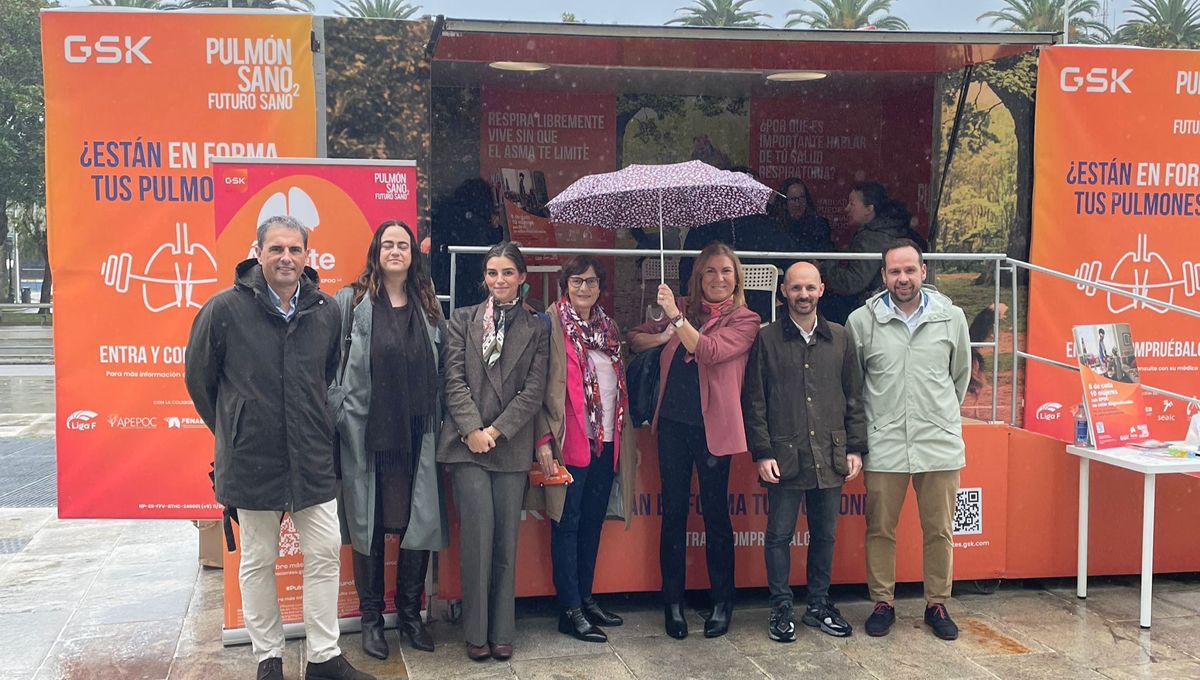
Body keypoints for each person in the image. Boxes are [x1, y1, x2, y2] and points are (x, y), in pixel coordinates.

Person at [185, 216, 374, 680]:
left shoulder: (326, 311)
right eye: (276, 249)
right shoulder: (223, 310)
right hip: (252, 460)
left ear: (307, 256)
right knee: (257, 561)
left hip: (311, 457)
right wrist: (234, 427)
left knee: (327, 552)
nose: (286, 258)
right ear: (258, 252)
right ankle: (268, 658)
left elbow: (326, 375)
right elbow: (199, 380)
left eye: (294, 249)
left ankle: (324, 658)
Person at [628, 242, 760, 640]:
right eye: (710, 272)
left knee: (717, 516)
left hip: (713, 429)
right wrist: (666, 330)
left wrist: (676, 320)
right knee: (674, 515)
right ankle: (673, 603)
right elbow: (634, 337)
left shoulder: (746, 319)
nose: (718, 279)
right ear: (698, 276)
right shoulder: (681, 305)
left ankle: (722, 603)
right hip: (671, 425)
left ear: (737, 277)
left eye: (726, 272)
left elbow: (709, 350)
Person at [845, 239, 970, 642]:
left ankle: (937, 603)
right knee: (880, 529)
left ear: (923, 272)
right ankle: (883, 602)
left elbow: (960, 377)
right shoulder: (861, 322)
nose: (903, 278)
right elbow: (855, 384)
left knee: (939, 530)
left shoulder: (952, 318)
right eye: (894, 271)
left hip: (938, 442)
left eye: (909, 270)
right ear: (883, 276)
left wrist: (939, 416)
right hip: (885, 444)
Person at [334, 221, 448, 661]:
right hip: (368, 436)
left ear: (412, 254)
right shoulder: (352, 301)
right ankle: (370, 621)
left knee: (416, 524)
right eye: (388, 244)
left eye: (403, 244)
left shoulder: (427, 304)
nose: (396, 251)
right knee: (369, 526)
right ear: (376, 251)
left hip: (417, 435)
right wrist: (341, 413)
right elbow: (332, 367)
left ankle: (409, 616)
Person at [741, 261, 867, 643]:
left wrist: (856, 448)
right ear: (783, 292)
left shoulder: (841, 338)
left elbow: (855, 398)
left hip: (830, 454)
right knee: (778, 535)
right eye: (796, 288)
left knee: (825, 535)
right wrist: (762, 453)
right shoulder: (766, 339)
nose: (803, 295)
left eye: (810, 288)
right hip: (785, 455)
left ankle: (818, 605)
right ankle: (781, 608)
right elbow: (755, 401)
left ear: (822, 290)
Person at [437, 241, 550, 661]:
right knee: (477, 539)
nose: (498, 280)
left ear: (522, 277)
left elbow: (533, 391)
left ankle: (503, 629)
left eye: (507, 273)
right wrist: (472, 430)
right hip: (467, 447)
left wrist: (497, 431)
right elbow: (452, 380)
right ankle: (475, 632)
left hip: (510, 445)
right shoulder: (462, 320)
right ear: (483, 277)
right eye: (491, 272)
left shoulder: (537, 328)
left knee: (506, 542)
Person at [530, 255, 640, 644]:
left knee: (593, 523)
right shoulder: (550, 324)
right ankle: (569, 609)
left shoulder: (608, 328)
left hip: (606, 441)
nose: (584, 288)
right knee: (568, 523)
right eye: (577, 281)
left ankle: (587, 598)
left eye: (591, 282)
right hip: (569, 444)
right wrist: (543, 438)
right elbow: (536, 386)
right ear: (566, 284)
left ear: (600, 287)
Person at [822, 182, 915, 324]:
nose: (846, 208)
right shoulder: (893, 228)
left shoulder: (871, 237)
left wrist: (824, 267)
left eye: (852, 204)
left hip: (872, 312)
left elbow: (852, 283)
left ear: (869, 209)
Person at [777, 178, 833, 254]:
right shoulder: (776, 226)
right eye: (793, 199)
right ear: (784, 202)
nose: (798, 204)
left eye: (802, 198)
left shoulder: (819, 225)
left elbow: (827, 254)